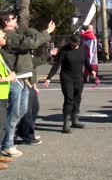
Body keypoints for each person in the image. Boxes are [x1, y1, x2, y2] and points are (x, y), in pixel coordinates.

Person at [1, 13, 55, 157]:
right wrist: (47, 32)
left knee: (21, 111)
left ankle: (11, 137)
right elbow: (31, 42)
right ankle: (7, 145)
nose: (16, 20)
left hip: (24, 78)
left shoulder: (16, 34)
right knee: (13, 114)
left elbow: (30, 48)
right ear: (6, 22)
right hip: (15, 79)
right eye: (13, 19)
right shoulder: (9, 36)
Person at [45, 35, 96, 134]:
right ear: (70, 43)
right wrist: (49, 78)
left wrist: (91, 70)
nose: (75, 47)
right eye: (73, 45)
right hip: (66, 77)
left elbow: (86, 62)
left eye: (77, 45)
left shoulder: (82, 49)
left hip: (79, 78)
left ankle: (75, 119)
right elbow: (57, 65)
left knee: (78, 98)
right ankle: (66, 123)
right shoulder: (64, 50)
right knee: (69, 99)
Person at [0, 29, 17, 169]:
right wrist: (8, 78)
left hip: (3, 94)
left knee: (3, 126)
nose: (5, 37)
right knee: (0, 127)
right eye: (2, 36)